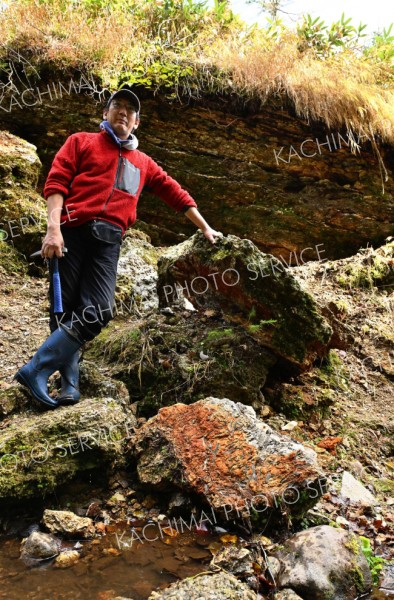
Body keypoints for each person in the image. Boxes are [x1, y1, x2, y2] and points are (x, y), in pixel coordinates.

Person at [15, 88, 223, 410]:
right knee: (64, 311)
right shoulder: (80, 141)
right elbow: (55, 184)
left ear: (137, 122)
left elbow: (175, 194)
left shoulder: (143, 163)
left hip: (108, 242)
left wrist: (206, 227)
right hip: (70, 233)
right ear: (105, 113)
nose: (122, 112)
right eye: (117, 106)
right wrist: (53, 230)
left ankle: (35, 369)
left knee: (97, 311)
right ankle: (69, 384)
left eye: (130, 110)